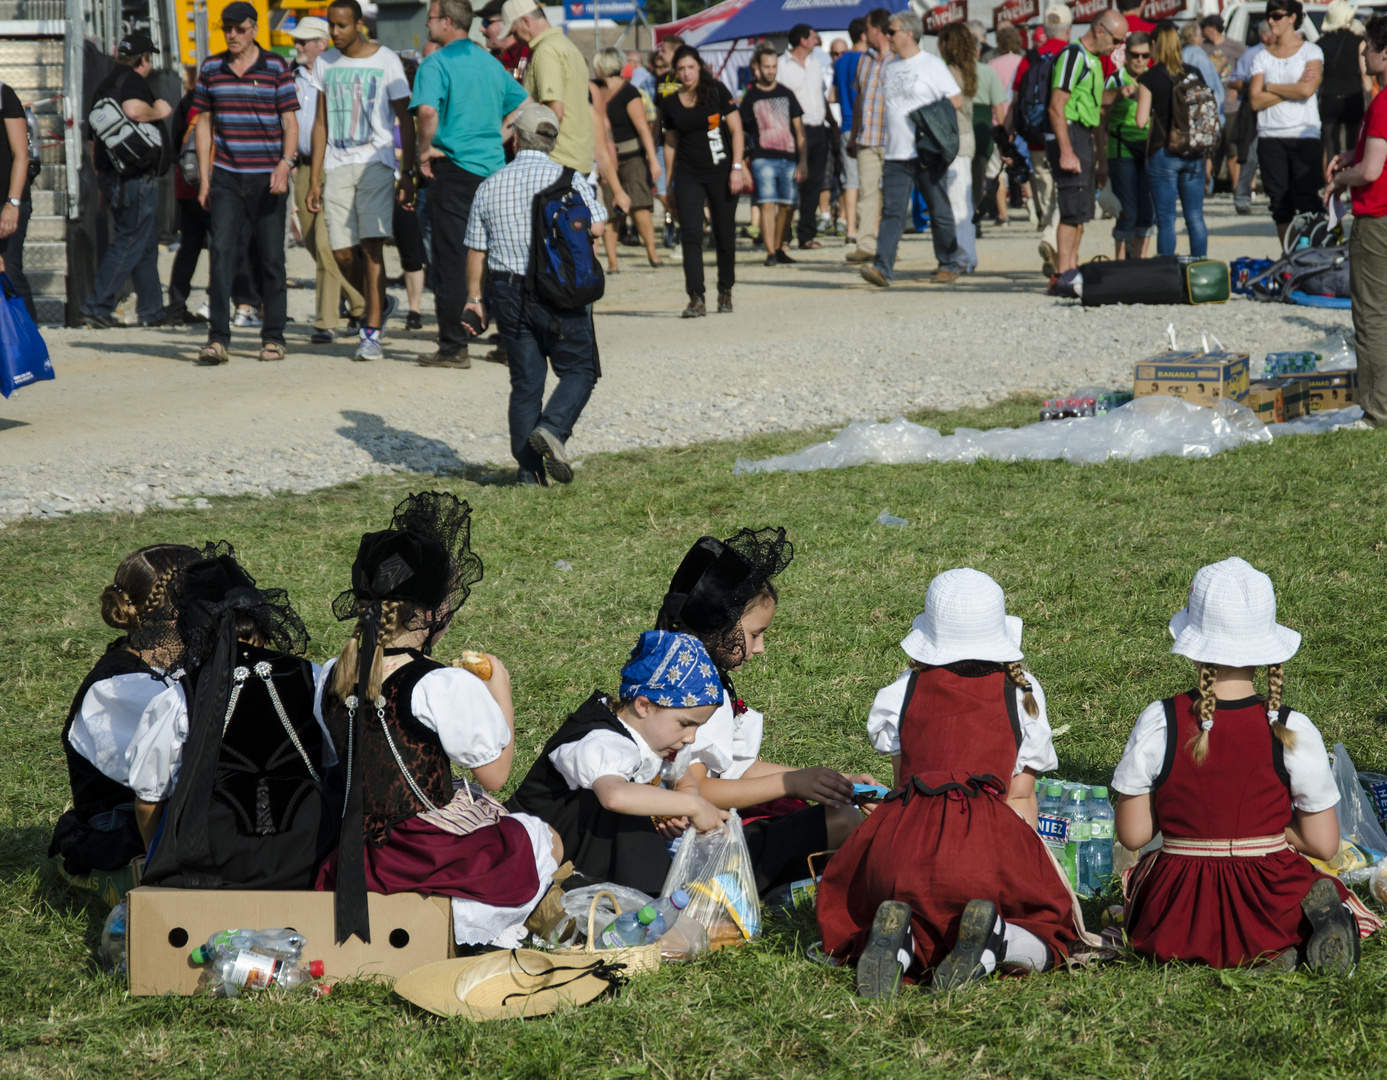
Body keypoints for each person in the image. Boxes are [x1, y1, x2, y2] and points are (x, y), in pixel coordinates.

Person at [818, 569, 1090, 998]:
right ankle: (998, 940)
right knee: (1052, 928)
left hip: (900, 851)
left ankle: (901, 942)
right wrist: (1031, 868)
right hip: (979, 850)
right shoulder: (1022, 693)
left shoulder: (902, 690)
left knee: (900, 906)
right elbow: (1019, 797)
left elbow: (905, 785)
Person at [318, 491, 560, 947]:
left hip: (357, 849)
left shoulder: (334, 673)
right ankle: (473, 922)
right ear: (433, 614)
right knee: (541, 836)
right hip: (423, 852)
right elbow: (494, 775)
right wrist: (500, 692)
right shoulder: (442, 684)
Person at [1113, 558, 1381, 971]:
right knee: (1314, 888)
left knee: (1141, 887)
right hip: (1269, 897)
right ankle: (1298, 940)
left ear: (1193, 641)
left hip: (1179, 913)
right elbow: (1325, 845)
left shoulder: (1159, 721)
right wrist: (1279, 832)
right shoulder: (1292, 729)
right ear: (1267, 648)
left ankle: (1278, 952)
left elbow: (1133, 835)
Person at [655, 528, 876, 892]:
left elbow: (733, 766)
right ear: (720, 625)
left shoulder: (699, 673)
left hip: (713, 830)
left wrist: (830, 781)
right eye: (755, 633)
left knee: (835, 811)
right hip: (697, 847)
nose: (759, 648)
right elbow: (701, 790)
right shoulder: (691, 694)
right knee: (843, 821)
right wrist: (790, 783)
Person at [128, 546, 339, 890]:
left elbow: (147, 799)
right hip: (309, 849)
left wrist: (158, 856)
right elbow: (334, 758)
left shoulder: (180, 697)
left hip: (215, 861)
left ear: (194, 632)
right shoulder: (312, 677)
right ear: (262, 620)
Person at [508, 630, 727, 896]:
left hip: (587, 848)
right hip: (538, 845)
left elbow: (684, 782)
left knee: (634, 815)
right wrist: (694, 806)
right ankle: (651, 895)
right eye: (685, 724)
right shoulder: (601, 739)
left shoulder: (666, 741)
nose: (690, 737)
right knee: (626, 813)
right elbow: (615, 796)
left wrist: (677, 813)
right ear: (644, 705)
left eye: (697, 727)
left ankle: (646, 893)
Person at [463, 103, 604, 486]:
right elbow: (598, 228)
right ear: (553, 140)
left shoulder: (490, 184)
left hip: (507, 290)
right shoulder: (570, 179)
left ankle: (529, 474)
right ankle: (554, 429)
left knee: (526, 382)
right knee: (580, 370)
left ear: (516, 139)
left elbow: (476, 250)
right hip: (559, 289)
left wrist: (474, 300)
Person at [46, 544, 203, 877]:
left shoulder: (172, 664)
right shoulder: (118, 687)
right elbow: (166, 777)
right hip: (122, 821)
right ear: (177, 612)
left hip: (164, 808)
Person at [411, 0, 529, 371]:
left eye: (430, 18)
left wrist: (425, 149)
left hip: (454, 169)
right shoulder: (489, 62)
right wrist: (498, 135)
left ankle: (453, 346)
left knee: (451, 258)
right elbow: (525, 104)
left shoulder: (436, 63)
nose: (427, 23)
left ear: (447, 22)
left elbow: (428, 111)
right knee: (500, 258)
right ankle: (512, 344)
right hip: (493, 171)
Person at [305, 0, 413, 363]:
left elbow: (406, 120)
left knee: (371, 247)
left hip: (376, 163)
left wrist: (407, 173)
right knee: (340, 252)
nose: (334, 33)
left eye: (341, 26)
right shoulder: (325, 63)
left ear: (358, 25)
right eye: (330, 26)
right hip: (336, 166)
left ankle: (371, 332)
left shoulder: (385, 60)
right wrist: (315, 180)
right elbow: (320, 123)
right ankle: (379, 301)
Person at [193, 3, 298, 364]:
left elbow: (290, 123)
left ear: (254, 29)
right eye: (227, 29)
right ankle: (218, 338)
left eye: (239, 29)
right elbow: (204, 124)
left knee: (271, 258)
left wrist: (286, 164)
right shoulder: (211, 68)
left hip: (268, 178)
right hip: (226, 176)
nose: (232, 35)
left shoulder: (275, 67)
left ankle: (274, 337)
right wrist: (205, 179)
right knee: (221, 254)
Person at [859, 10, 963, 288]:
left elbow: (955, 100)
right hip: (895, 152)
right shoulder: (889, 67)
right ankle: (882, 269)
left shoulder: (931, 65)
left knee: (938, 207)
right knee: (892, 212)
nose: (887, 35)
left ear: (908, 32)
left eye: (891, 31)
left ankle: (949, 263)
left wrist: (927, 118)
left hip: (925, 152)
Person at [80, 31, 171, 330]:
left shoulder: (103, 84)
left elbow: (93, 141)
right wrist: (160, 109)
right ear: (143, 60)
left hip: (111, 177)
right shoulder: (132, 82)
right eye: (149, 59)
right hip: (136, 177)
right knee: (130, 242)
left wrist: (101, 182)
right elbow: (133, 110)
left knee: (144, 245)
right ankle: (96, 306)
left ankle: (153, 311)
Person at [1327, 13, 1387, 429]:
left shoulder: (1383, 102)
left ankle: (1377, 412)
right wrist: (1354, 156)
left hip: (1377, 220)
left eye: (1368, 43)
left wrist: (1338, 180)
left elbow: (1370, 172)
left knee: (1372, 317)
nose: (1362, 50)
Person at [289, 16, 364, 346]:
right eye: (297, 41)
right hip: (302, 168)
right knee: (310, 242)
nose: (298, 46)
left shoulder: (341, 76)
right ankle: (366, 303)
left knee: (325, 243)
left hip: (333, 166)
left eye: (304, 41)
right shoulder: (290, 79)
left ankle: (326, 321)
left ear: (323, 43)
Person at [661, 44, 745, 317]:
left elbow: (736, 130)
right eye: (681, 69)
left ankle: (725, 290)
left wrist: (737, 166)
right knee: (691, 234)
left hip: (721, 171)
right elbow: (671, 143)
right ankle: (696, 296)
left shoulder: (717, 92)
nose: (686, 74)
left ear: (700, 67)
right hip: (688, 174)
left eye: (691, 68)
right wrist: (670, 181)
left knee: (724, 233)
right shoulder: (671, 102)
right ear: (675, 72)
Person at [1048, 9, 1128, 284]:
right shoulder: (1073, 56)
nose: (1117, 46)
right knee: (1071, 209)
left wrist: (1120, 93)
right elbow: (1056, 106)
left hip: (1082, 135)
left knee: (1081, 210)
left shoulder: (1093, 61)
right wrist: (1066, 150)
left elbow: (1096, 104)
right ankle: (1061, 274)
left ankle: (1071, 268)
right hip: (1069, 132)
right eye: (1116, 40)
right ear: (1099, 31)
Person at [1250, 0, 1324, 245]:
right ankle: (1289, 255)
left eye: (1277, 15)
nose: (1271, 21)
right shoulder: (1261, 56)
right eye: (1268, 16)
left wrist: (1269, 86)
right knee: (1280, 202)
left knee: (1307, 199)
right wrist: (1291, 88)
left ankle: (1314, 253)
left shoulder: (1311, 51)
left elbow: (1306, 90)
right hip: (1271, 136)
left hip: (1305, 134)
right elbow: (1254, 100)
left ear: (1292, 17)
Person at [1137, 23, 1209, 257]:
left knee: (1166, 220)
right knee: (1195, 217)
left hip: (1163, 153)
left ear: (1155, 45)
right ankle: (1200, 273)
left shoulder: (1149, 77)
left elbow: (1140, 120)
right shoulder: (1193, 73)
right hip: (1194, 152)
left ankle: (1168, 274)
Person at [939, 22, 1001, 272]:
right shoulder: (969, 70)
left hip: (955, 141)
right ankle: (966, 256)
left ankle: (963, 258)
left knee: (958, 203)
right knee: (963, 200)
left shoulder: (950, 72)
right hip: (965, 139)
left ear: (946, 44)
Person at [593, 47, 662, 270]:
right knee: (611, 210)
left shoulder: (629, 92)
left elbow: (644, 129)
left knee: (639, 205)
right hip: (605, 159)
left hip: (632, 156)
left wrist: (653, 160)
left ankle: (652, 252)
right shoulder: (595, 91)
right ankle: (613, 262)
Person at [507, 2, 594, 174]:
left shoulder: (546, 51)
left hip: (556, 163)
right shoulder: (567, 45)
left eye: (514, 32)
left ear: (526, 21)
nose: (514, 39)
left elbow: (554, 112)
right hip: (576, 158)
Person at [741, 43, 807, 267]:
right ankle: (770, 251)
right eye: (766, 66)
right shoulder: (750, 97)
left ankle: (779, 247)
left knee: (788, 205)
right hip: (762, 157)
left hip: (788, 156)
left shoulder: (787, 94)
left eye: (774, 66)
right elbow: (741, 132)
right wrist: (742, 163)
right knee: (767, 204)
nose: (771, 70)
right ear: (758, 67)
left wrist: (803, 161)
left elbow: (799, 130)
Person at [845, 8, 893, 265]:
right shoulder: (864, 60)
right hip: (867, 138)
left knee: (892, 197)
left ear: (878, 30)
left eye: (867, 27)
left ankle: (887, 246)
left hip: (892, 139)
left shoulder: (897, 59)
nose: (864, 32)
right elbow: (859, 101)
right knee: (866, 193)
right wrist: (853, 137)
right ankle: (865, 245)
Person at [778, 25, 829, 250]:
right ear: (802, 40)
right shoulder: (781, 65)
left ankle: (806, 235)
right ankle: (783, 235)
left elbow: (822, 96)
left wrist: (832, 127)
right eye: (812, 35)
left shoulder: (816, 63)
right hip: (792, 130)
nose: (816, 38)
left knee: (814, 184)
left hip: (818, 128)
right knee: (789, 183)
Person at [1104, 31, 1153, 259]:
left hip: (1147, 150)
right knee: (1128, 210)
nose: (1141, 61)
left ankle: (1140, 263)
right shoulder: (1115, 79)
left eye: (1145, 55)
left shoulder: (1152, 78)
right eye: (1136, 55)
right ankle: (1120, 263)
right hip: (1121, 148)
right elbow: (1101, 113)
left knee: (1146, 212)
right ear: (1126, 55)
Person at [1317, 0, 1370, 163]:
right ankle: (1349, 183)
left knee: (1330, 145)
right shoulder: (1358, 42)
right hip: (1352, 97)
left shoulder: (1319, 44)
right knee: (1353, 144)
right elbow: (1364, 74)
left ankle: (1330, 182)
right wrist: (1369, 100)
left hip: (1328, 98)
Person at [1231, 20, 1275, 214]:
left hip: (1275, 109)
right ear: (1265, 35)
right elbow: (1234, 80)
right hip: (1254, 111)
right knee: (1250, 156)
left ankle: (1277, 196)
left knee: (1275, 156)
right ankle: (1242, 198)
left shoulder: (1283, 52)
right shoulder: (1252, 54)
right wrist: (1251, 87)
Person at [0, 72, 34, 321]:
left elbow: (21, 155)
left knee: (9, 271)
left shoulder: (4, 95)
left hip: (9, 200)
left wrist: (12, 203)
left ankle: (29, 344)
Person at [985, 24, 1026, 224]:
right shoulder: (1023, 61)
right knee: (1024, 166)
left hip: (998, 121)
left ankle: (1003, 214)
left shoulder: (992, 64)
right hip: (1020, 121)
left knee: (997, 171)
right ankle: (1034, 209)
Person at [833, 18, 868, 247]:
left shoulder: (840, 61)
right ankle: (869, 227)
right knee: (870, 181)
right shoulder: (867, 60)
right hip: (865, 124)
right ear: (865, 34)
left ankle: (851, 229)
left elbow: (835, 94)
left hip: (845, 124)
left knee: (850, 180)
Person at [1200, 14, 1246, 190]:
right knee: (1207, 147)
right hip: (1208, 105)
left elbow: (1250, 66)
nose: (1203, 34)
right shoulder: (1202, 48)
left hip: (1231, 106)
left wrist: (1239, 87)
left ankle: (1236, 187)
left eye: (1204, 29)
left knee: (1232, 148)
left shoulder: (1235, 46)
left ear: (1212, 28)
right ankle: (1206, 186)